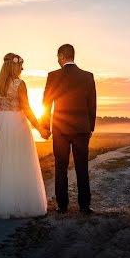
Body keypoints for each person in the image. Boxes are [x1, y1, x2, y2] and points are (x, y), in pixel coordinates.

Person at [0, 52, 48, 218]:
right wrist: (40, 129)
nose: (22, 68)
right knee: (19, 160)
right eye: (21, 65)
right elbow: (26, 108)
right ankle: (18, 203)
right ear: (14, 65)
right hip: (16, 123)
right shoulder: (20, 84)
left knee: (0, 161)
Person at [40, 43, 97, 214]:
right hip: (82, 129)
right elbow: (91, 105)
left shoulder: (53, 76)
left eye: (58, 57)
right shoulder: (87, 76)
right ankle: (85, 206)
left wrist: (45, 127)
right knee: (82, 167)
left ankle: (62, 206)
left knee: (60, 166)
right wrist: (90, 127)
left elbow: (46, 103)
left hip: (60, 129)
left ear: (62, 56)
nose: (57, 60)